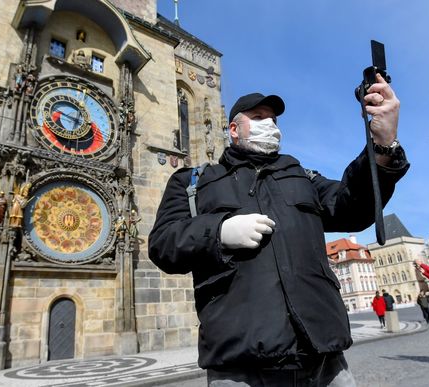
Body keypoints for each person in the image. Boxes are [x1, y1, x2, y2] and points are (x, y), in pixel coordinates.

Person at [149, 76, 409, 386]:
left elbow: (353, 207)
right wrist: (218, 232)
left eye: (273, 119)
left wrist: (382, 146)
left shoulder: (301, 176)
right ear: (233, 129)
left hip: (323, 360)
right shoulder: (194, 182)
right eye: (258, 118)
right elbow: (163, 244)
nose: (269, 124)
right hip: (240, 367)